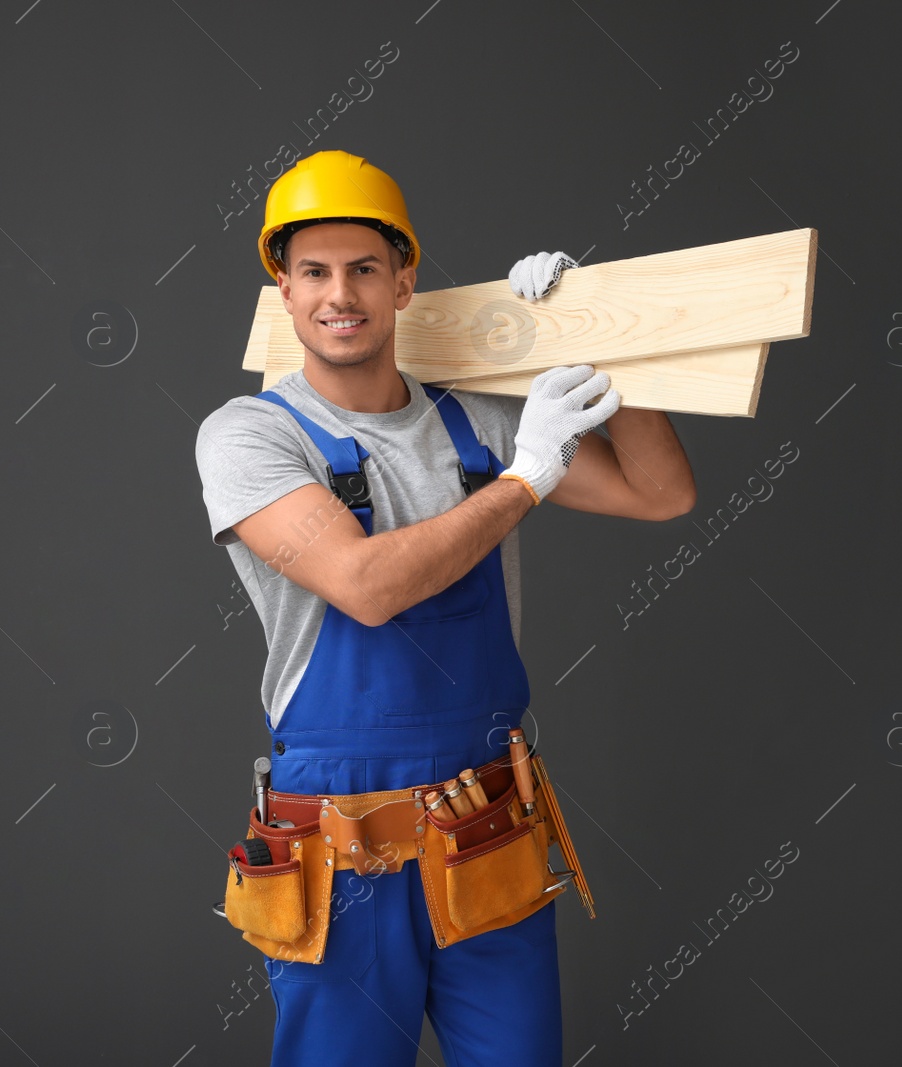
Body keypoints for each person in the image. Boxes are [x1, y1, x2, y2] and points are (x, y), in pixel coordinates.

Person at [194, 149, 696, 1066]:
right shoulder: (250, 434)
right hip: (340, 858)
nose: (339, 293)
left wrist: (600, 347)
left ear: (404, 282)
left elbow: (660, 493)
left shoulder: (482, 424)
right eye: (314, 271)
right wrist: (529, 478)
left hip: (485, 838)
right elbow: (366, 587)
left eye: (364, 268)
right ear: (284, 288)